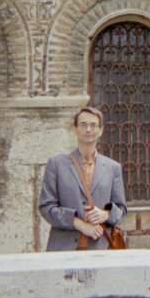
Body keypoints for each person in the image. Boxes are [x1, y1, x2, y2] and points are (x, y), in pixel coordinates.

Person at [39, 106, 127, 251]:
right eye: (83, 125)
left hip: (100, 249)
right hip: (63, 249)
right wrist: (79, 224)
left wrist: (104, 215)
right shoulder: (56, 164)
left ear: (101, 130)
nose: (88, 130)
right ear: (75, 129)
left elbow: (122, 211)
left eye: (93, 125)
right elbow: (46, 207)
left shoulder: (113, 168)